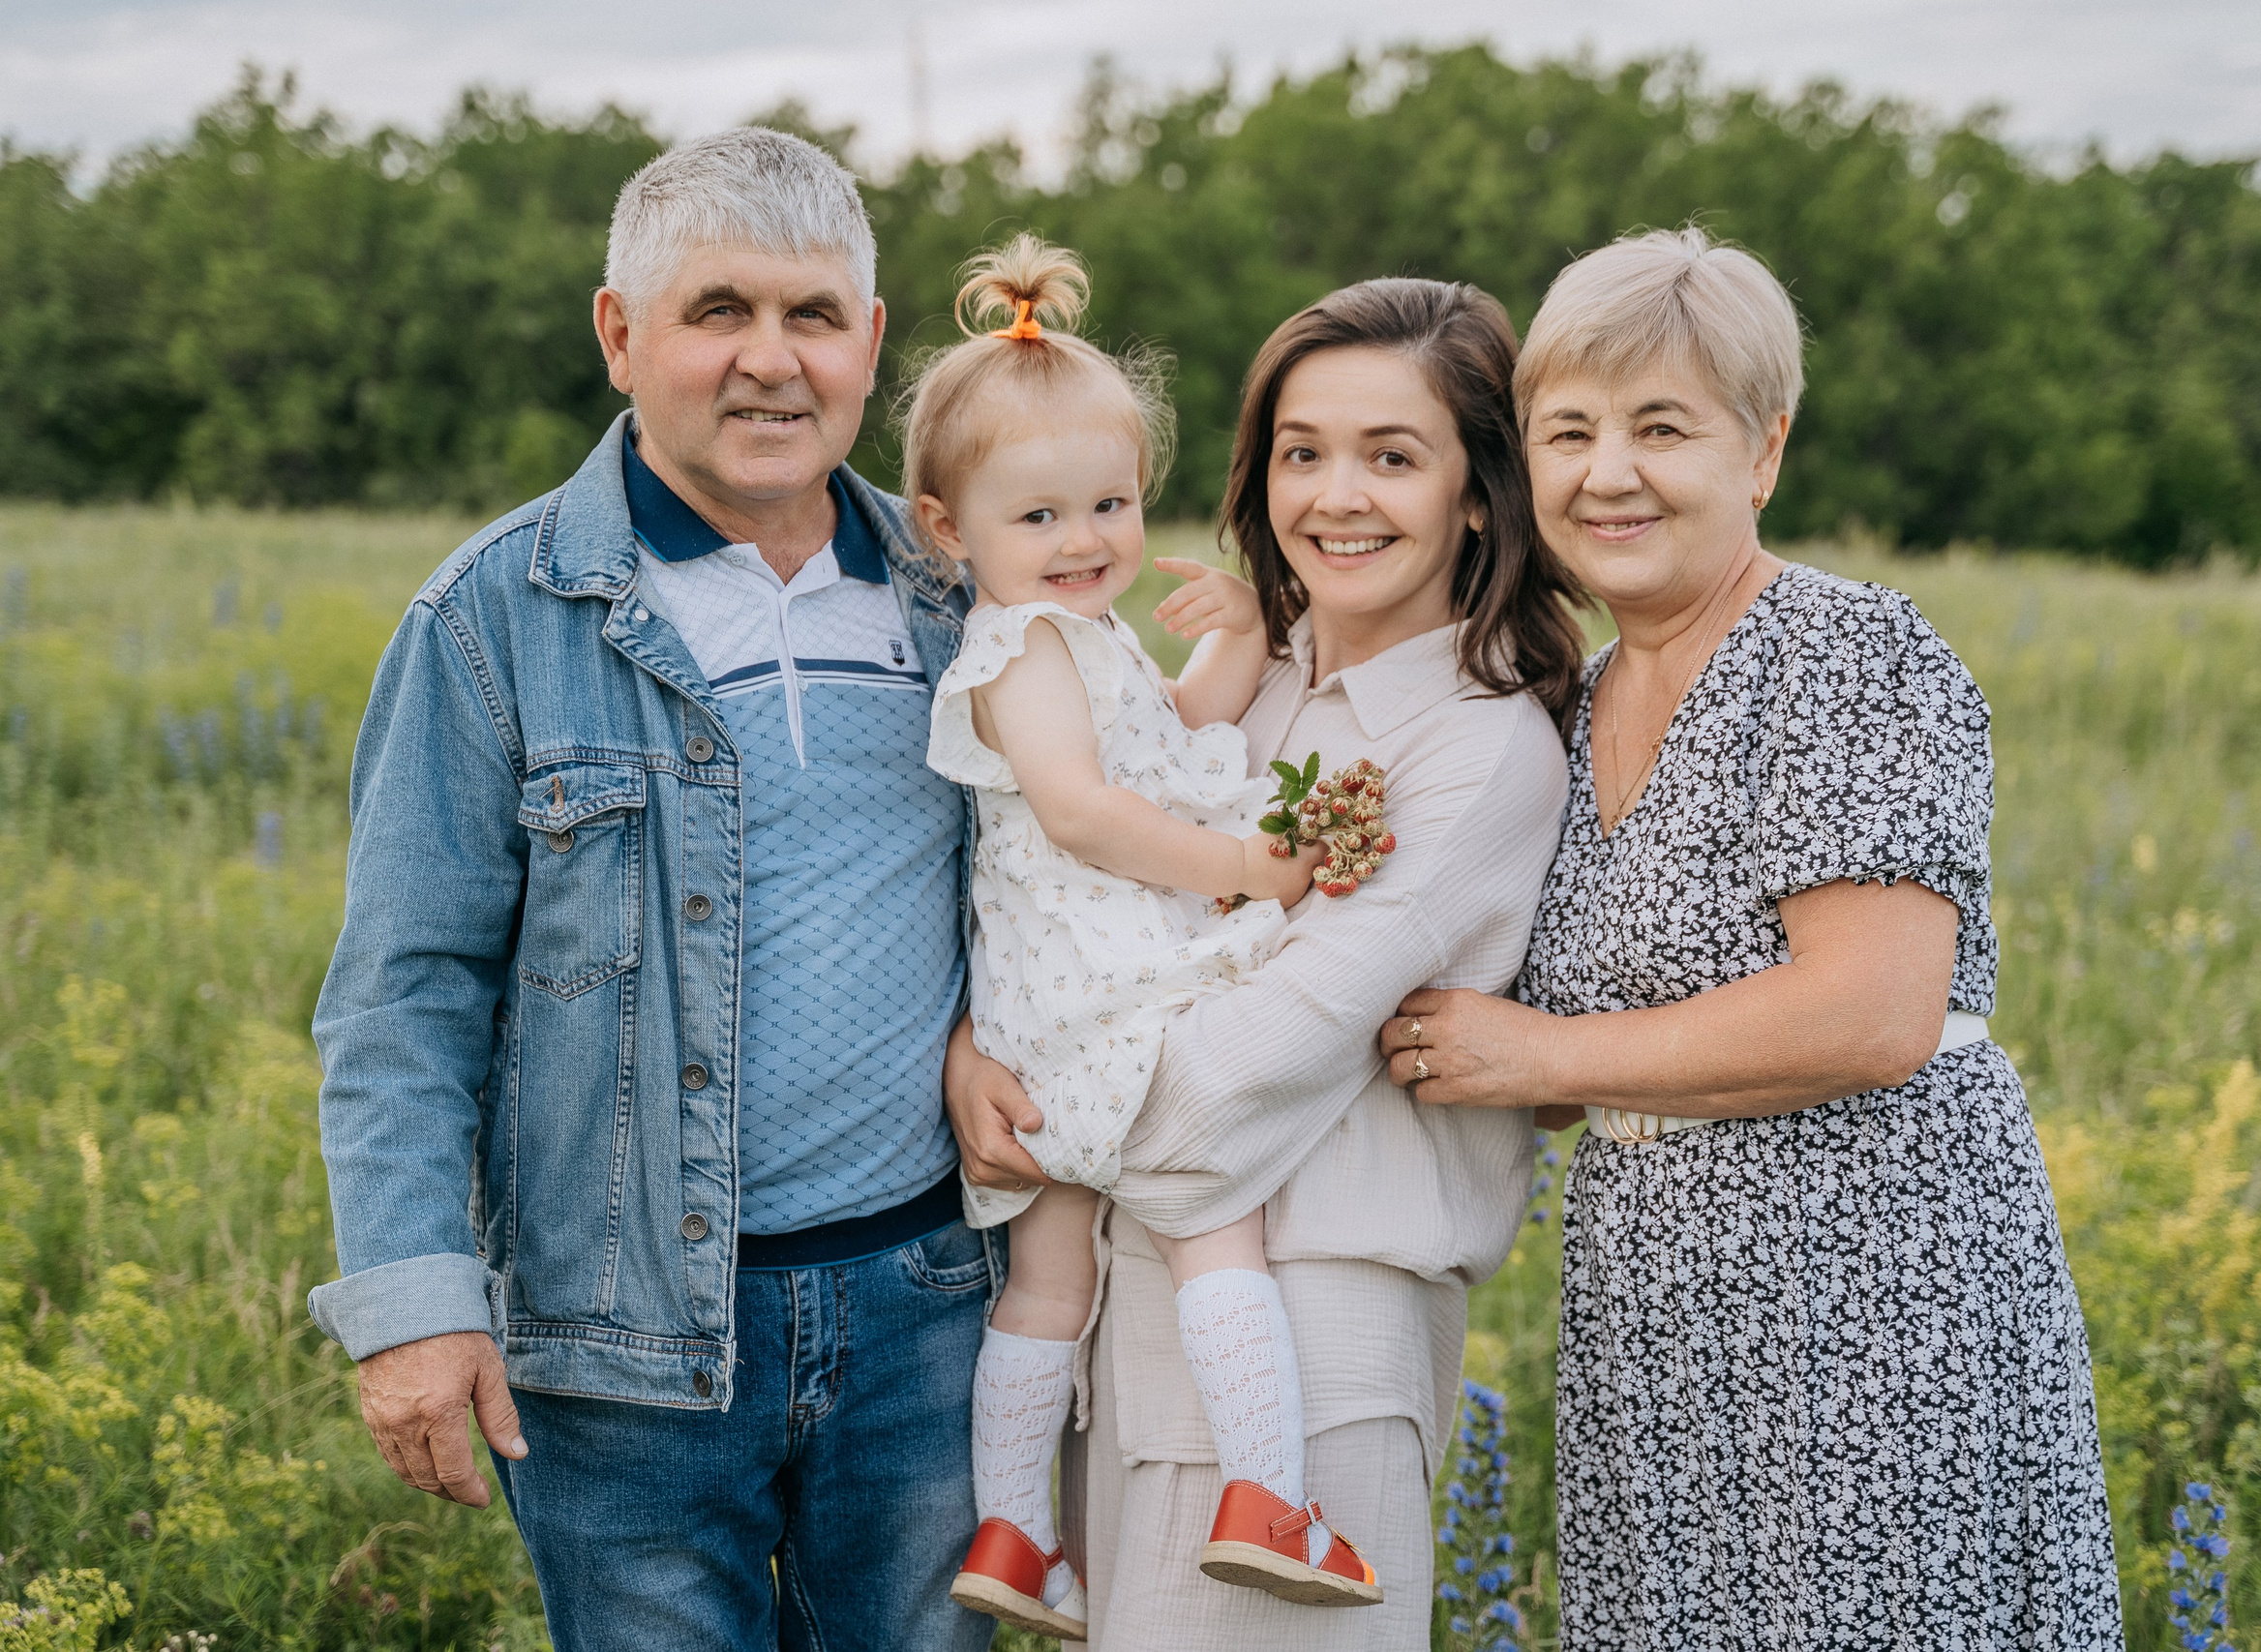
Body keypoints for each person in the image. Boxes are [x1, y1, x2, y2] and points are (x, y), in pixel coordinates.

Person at [1378, 228, 2125, 1648]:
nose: (1609, 472)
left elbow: (1873, 1011)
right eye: (1570, 430)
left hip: (1867, 1284)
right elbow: (1532, 1065)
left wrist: (1540, 1048)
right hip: (1660, 1307)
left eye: (1663, 427)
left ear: (1764, 451)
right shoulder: (1572, 702)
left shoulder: (1844, 652)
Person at [307, 127, 998, 1650]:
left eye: (813, 315)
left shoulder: (961, 603)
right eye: (718, 312)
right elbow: (404, 990)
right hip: (618, 1346)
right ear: (621, 335)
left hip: (929, 1310)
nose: (771, 361)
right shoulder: (497, 614)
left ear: (871, 346)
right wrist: (414, 1298)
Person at [945, 276, 1584, 1650]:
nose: (1335, 495)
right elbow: (1061, 900)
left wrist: (1047, 1108)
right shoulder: (1254, 682)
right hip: (1145, 1310)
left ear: (1481, 494)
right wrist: (975, 1058)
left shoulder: (1476, 751)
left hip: (1315, 1332)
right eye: (1304, 452)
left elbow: (1239, 1075)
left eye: (1393, 456)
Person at [910, 234, 1386, 1641]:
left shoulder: (1079, 639)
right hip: (1111, 998)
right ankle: (1267, 1496)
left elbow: (1170, 742)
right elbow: (1090, 813)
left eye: (1108, 503)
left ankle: (1013, 1531)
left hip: (1047, 1022)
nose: (1085, 541)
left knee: (1052, 1274)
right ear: (950, 531)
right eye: (1041, 516)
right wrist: (1255, 869)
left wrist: (1234, 636)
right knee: (1215, 1223)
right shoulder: (1020, 648)